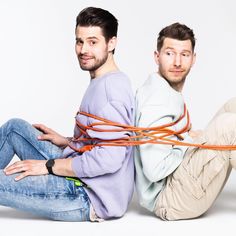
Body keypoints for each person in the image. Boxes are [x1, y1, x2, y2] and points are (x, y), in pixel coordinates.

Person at [0, 7, 135, 221]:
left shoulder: (111, 93)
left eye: (93, 42)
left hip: (86, 195)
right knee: (14, 128)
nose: (83, 50)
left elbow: (110, 158)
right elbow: (102, 139)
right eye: (79, 41)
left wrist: (48, 166)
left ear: (111, 43)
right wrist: (69, 142)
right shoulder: (107, 79)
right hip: (79, 170)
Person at [134, 22, 236, 220]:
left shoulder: (163, 88)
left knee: (233, 106)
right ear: (157, 57)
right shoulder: (156, 102)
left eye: (185, 54)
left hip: (178, 181)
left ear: (193, 59)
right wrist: (187, 142)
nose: (177, 62)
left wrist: (186, 140)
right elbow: (155, 171)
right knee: (229, 126)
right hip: (169, 198)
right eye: (169, 53)